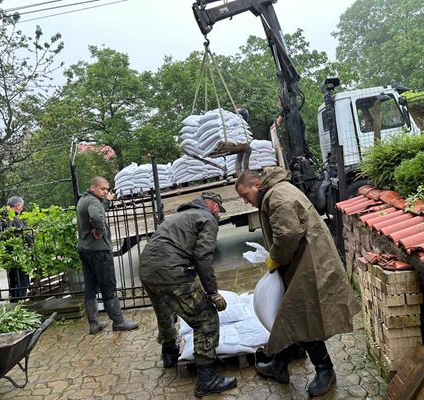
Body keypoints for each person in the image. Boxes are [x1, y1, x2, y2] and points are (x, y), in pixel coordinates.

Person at [235, 167, 359, 397]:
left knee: (302, 317)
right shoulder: (276, 192)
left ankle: (325, 371)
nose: (245, 202)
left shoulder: (277, 196)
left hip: (309, 265)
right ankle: (279, 366)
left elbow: (288, 234)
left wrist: (275, 258)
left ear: (255, 184)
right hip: (305, 261)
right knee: (289, 315)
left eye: (245, 195)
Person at [138, 192, 236, 397]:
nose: (217, 214)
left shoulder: (181, 216)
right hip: (171, 273)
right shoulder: (207, 218)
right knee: (206, 318)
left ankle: (169, 353)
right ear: (215, 207)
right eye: (218, 210)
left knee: (164, 311)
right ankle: (207, 379)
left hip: (147, 271)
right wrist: (212, 293)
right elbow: (203, 257)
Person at [76, 176, 139, 335]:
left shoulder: (84, 200)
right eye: (103, 189)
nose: (106, 192)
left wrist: (107, 201)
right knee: (108, 285)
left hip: (86, 249)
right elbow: (97, 216)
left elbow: (99, 209)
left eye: (107, 189)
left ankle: (94, 323)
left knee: (91, 286)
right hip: (99, 251)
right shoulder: (93, 202)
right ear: (93, 187)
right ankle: (118, 322)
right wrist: (100, 230)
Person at [0, 196, 34, 302]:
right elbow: (26, 235)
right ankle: (20, 303)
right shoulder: (13, 219)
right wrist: (33, 234)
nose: (22, 209)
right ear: (17, 206)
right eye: (21, 207)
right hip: (18, 253)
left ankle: (14, 302)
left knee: (13, 280)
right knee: (22, 281)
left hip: (6, 253)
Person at [234, 104, 252, 175]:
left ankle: (239, 172)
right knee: (247, 151)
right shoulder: (244, 112)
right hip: (243, 135)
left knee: (240, 154)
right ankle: (245, 170)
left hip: (239, 137)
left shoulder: (236, 115)